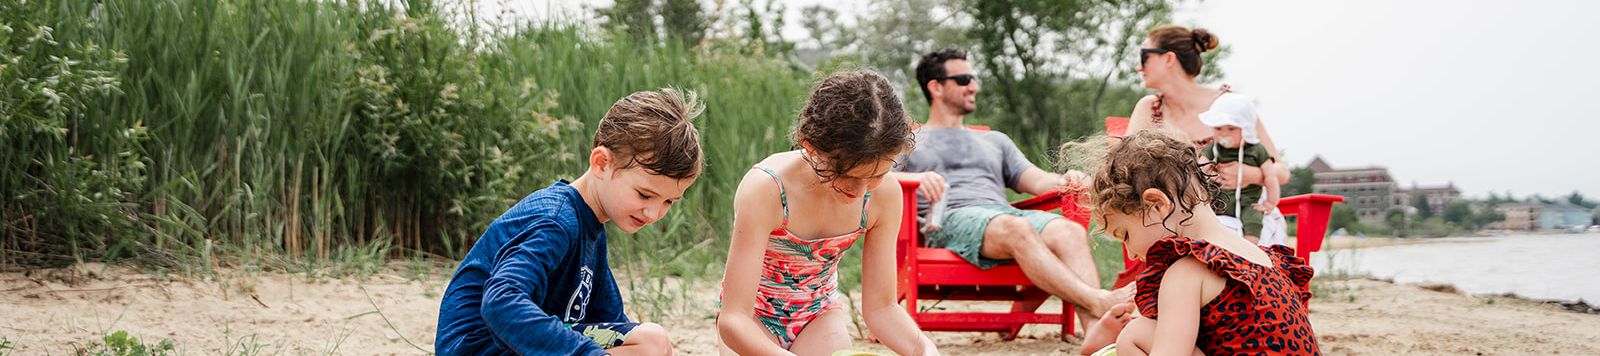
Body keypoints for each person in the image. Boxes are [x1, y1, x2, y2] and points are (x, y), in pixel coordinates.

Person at [435, 89, 703, 356]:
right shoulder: (555, 221)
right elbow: (501, 303)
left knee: (650, 343)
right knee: (650, 342)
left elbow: (613, 323)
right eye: (645, 194)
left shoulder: (590, 229)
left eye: (669, 201)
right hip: (479, 347)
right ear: (601, 163)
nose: (653, 213)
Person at [893, 48, 1127, 323]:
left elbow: (1037, 180)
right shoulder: (910, 140)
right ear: (936, 87)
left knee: (1069, 231)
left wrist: (1068, 180)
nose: (974, 87)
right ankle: (1097, 301)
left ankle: (1099, 341)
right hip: (950, 219)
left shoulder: (996, 141)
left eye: (974, 78)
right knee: (1016, 227)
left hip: (1002, 218)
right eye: (964, 79)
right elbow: (877, 178)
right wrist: (914, 179)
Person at [717, 70, 938, 356]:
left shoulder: (884, 196)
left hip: (817, 316)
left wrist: (925, 350)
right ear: (809, 145)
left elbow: (882, 308)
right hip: (751, 321)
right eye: (846, 175)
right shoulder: (768, 189)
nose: (860, 192)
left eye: (877, 175)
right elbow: (733, 319)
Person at [1085, 129, 1319, 355]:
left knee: (1135, 335)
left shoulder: (1187, 272)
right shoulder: (1259, 256)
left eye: (1125, 234)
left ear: (1157, 205)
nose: (1132, 253)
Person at [1199, 93, 1281, 244]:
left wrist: (1271, 202)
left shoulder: (1257, 150)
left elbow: (1270, 176)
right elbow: (1201, 166)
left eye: (1231, 128)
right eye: (1218, 128)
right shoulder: (1214, 149)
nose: (1224, 133)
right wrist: (1208, 175)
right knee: (1202, 217)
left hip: (1247, 201)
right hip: (1218, 198)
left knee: (1253, 219)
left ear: (1246, 128)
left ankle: (1250, 249)